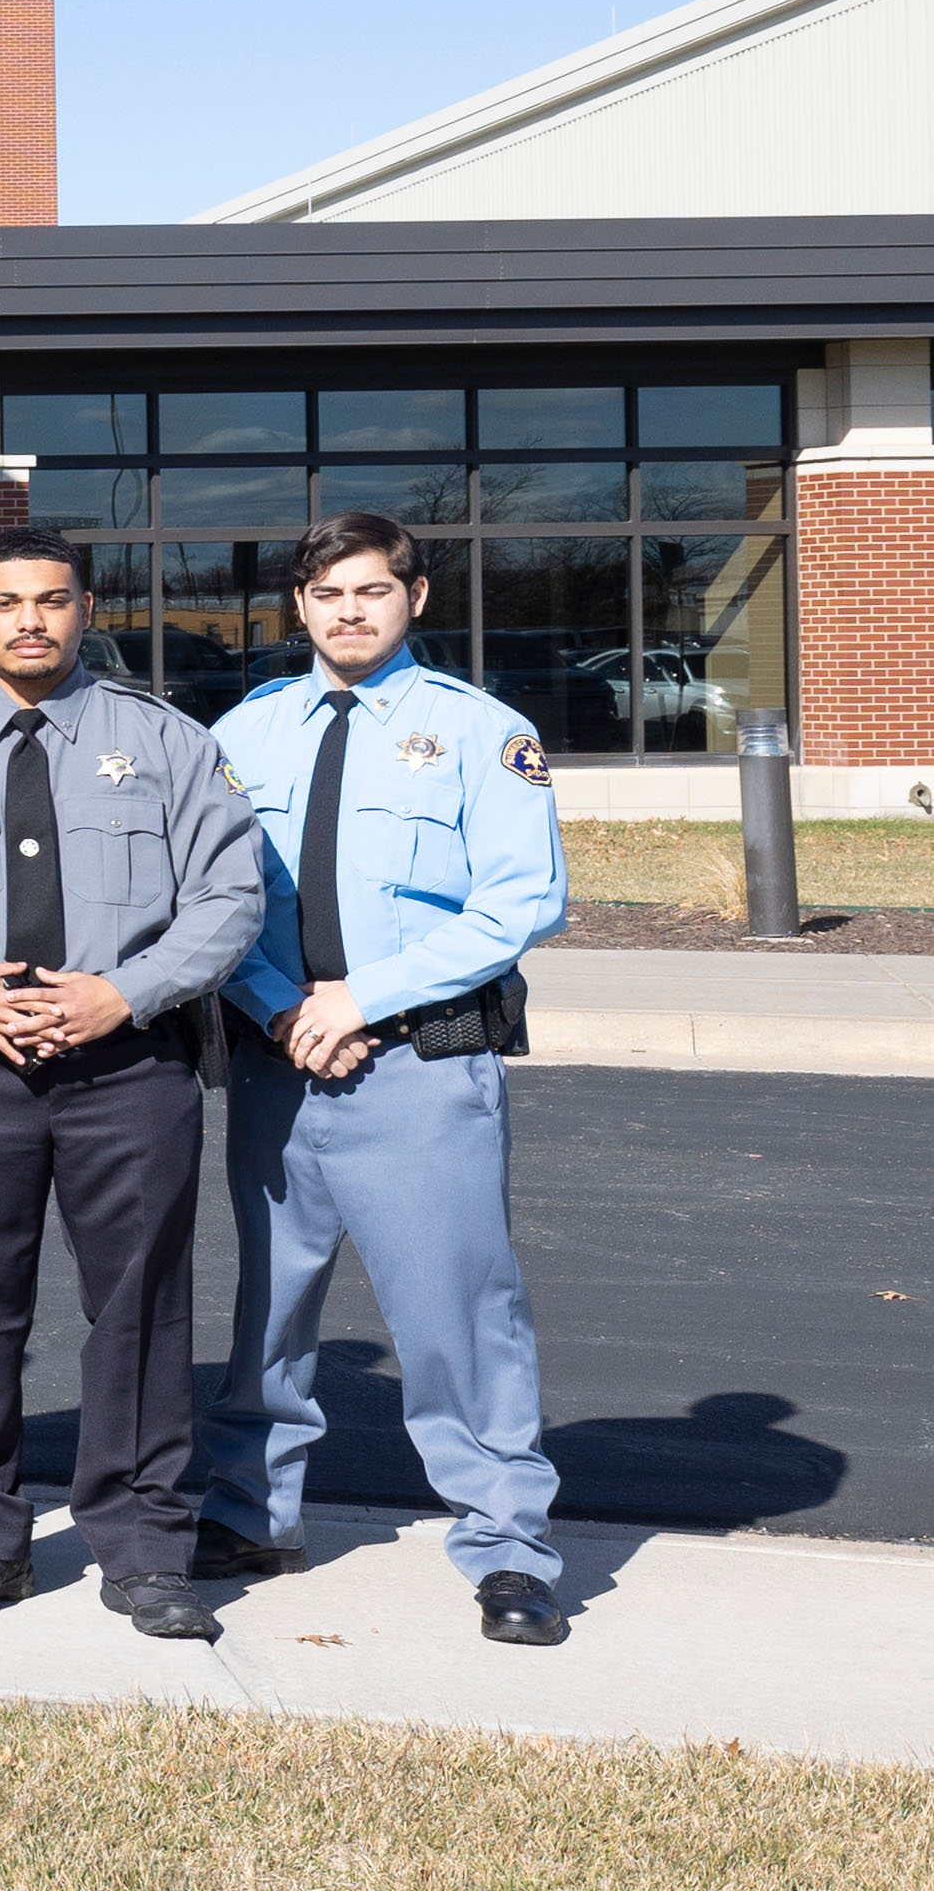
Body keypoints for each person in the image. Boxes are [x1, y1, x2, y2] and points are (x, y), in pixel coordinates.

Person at [0, 526, 263, 1641]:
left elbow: (228, 897)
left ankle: (144, 1547)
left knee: (139, 1310)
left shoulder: (165, 741)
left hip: (127, 1066)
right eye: (6, 602)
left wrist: (126, 993)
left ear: (86, 608)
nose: (29, 621)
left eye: (52, 600)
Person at [198, 512, 573, 1648]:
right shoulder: (245, 732)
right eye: (327, 594)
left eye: (370, 590)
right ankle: (251, 1512)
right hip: (277, 1061)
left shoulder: (480, 732)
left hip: (416, 1064)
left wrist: (361, 999)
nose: (347, 612)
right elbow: (213, 897)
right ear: (299, 607)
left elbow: (521, 901)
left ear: (414, 596)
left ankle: (507, 1547)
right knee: (267, 1311)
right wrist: (281, 1005)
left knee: (457, 1314)